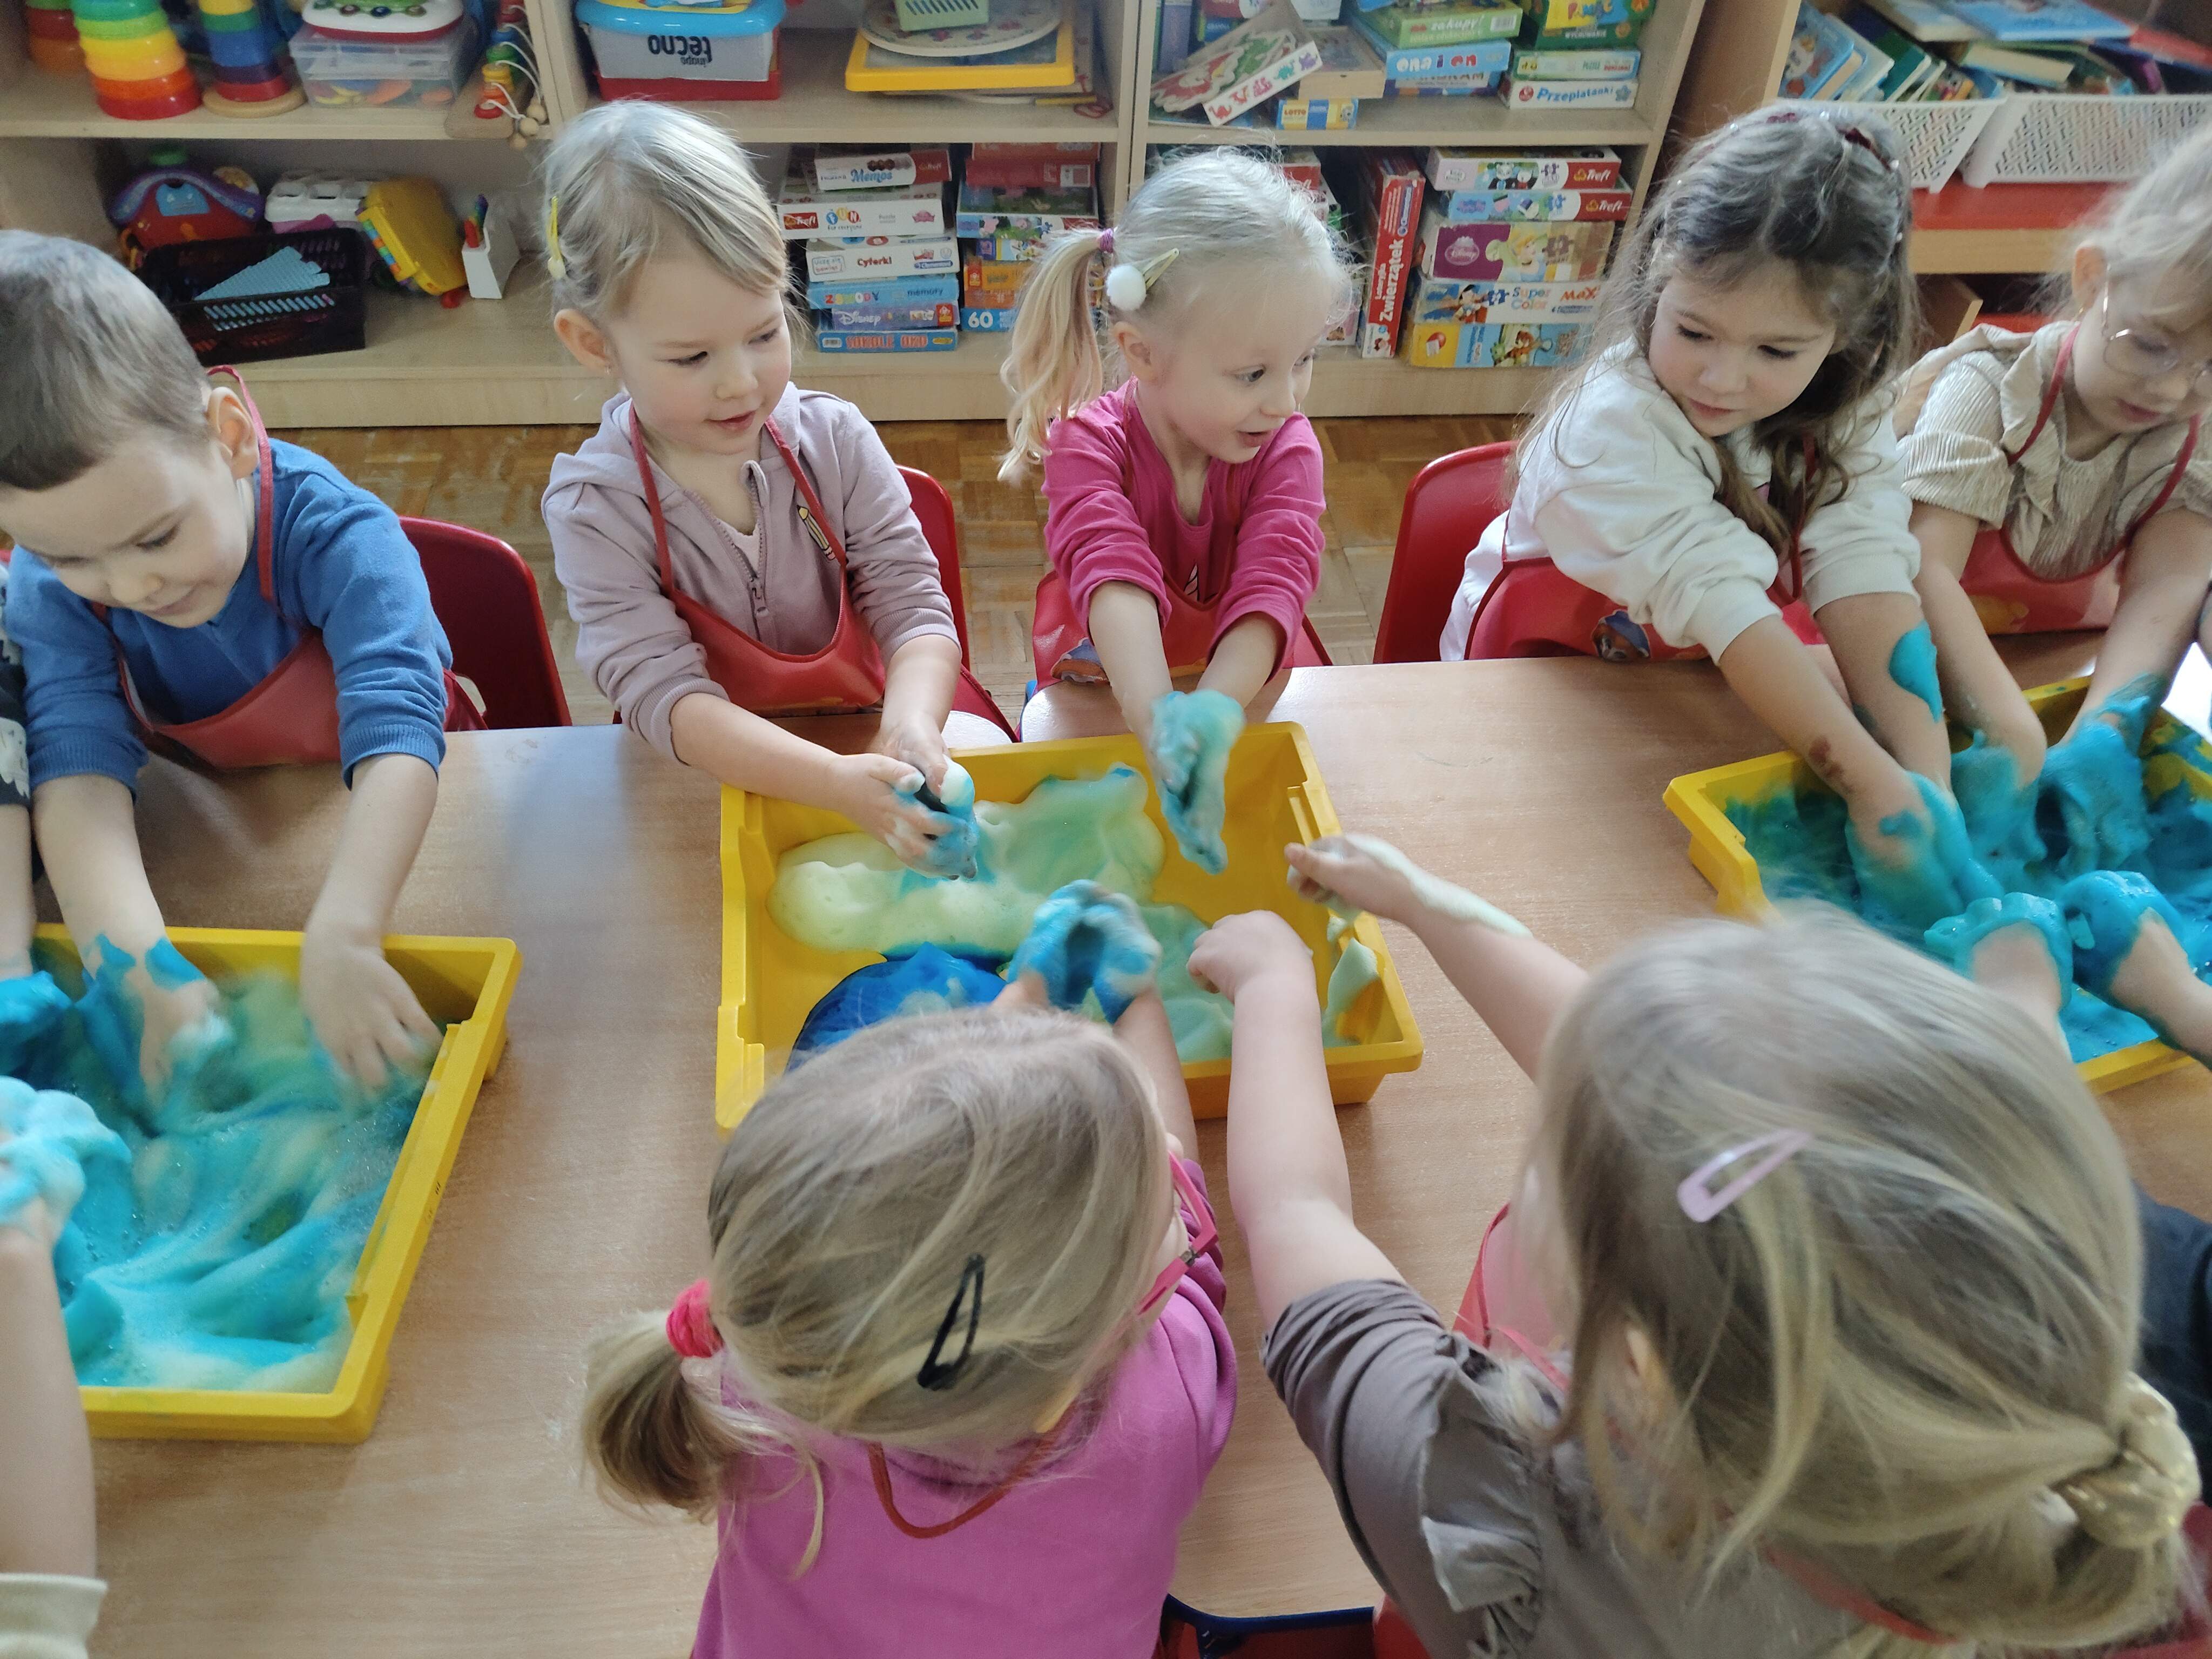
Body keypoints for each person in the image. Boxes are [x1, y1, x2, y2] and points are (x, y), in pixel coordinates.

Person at [1196, 837, 2203, 1658]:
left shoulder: (1500, 1508)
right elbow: (1699, 1136)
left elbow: (1296, 1213)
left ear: (1633, 1360)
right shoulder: (2037, 1480)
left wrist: (1276, 990)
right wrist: (1429, 902)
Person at [577, 981, 1233, 1658]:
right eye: (1169, 1213)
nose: (1169, 1157)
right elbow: (1199, 1275)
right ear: (1063, 1378)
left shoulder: (770, 1373)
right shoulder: (1156, 1418)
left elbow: (919, 1224)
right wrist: (1137, 1000)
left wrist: (1006, 1058)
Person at [1438, 109, 1976, 925]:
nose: (1722, 378)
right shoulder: (1609, 433)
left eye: (1776, 351)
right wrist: (1871, 783)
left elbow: (1863, 561)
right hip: (1540, 680)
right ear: (1657, 277)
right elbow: (1721, 603)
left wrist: (1926, 779)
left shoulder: (1847, 400)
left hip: (1700, 677)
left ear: (1847, 335)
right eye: (1694, 332)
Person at [0, 232, 470, 1091]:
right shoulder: (49, 582)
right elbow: (76, 765)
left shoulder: (337, 538)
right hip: (226, 829)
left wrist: (348, 930)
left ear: (229, 437)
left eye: (155, 538)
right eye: (70, 558)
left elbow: (399, 723)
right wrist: (139, 967)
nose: (129, 585)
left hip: (410, 815)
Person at [541, 103, 1008, 879]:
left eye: (764, 333)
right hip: (711, 769)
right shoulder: (597, 510)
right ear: (594, 344)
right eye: (691, 358)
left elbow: (914, 606)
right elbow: (666, 699)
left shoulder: (836, 439)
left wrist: (911, 724)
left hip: (864, 726)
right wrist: (832, 784)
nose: (740, 382)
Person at [1893, 126, 2212, 848]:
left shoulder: (2195, 435)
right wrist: (2009, 728)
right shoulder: (1985, 387)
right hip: (1903, 647)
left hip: (2042, 663)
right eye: (2150, 345)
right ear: (2094, 279)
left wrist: (2103, 734)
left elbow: (2169, 585)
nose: (2171, 391)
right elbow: (1922, 569)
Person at [1000, 151, 1351, 763]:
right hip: (1112, 687)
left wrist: (1210, 714)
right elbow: (1116, 578)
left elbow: (1272, 584)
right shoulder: (1085, 444)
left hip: (1242, 681)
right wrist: (1160, 722)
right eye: (1252, 374)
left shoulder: (1286, 448)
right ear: (1142, 354)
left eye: (1303, 359)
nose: (1286, 401)